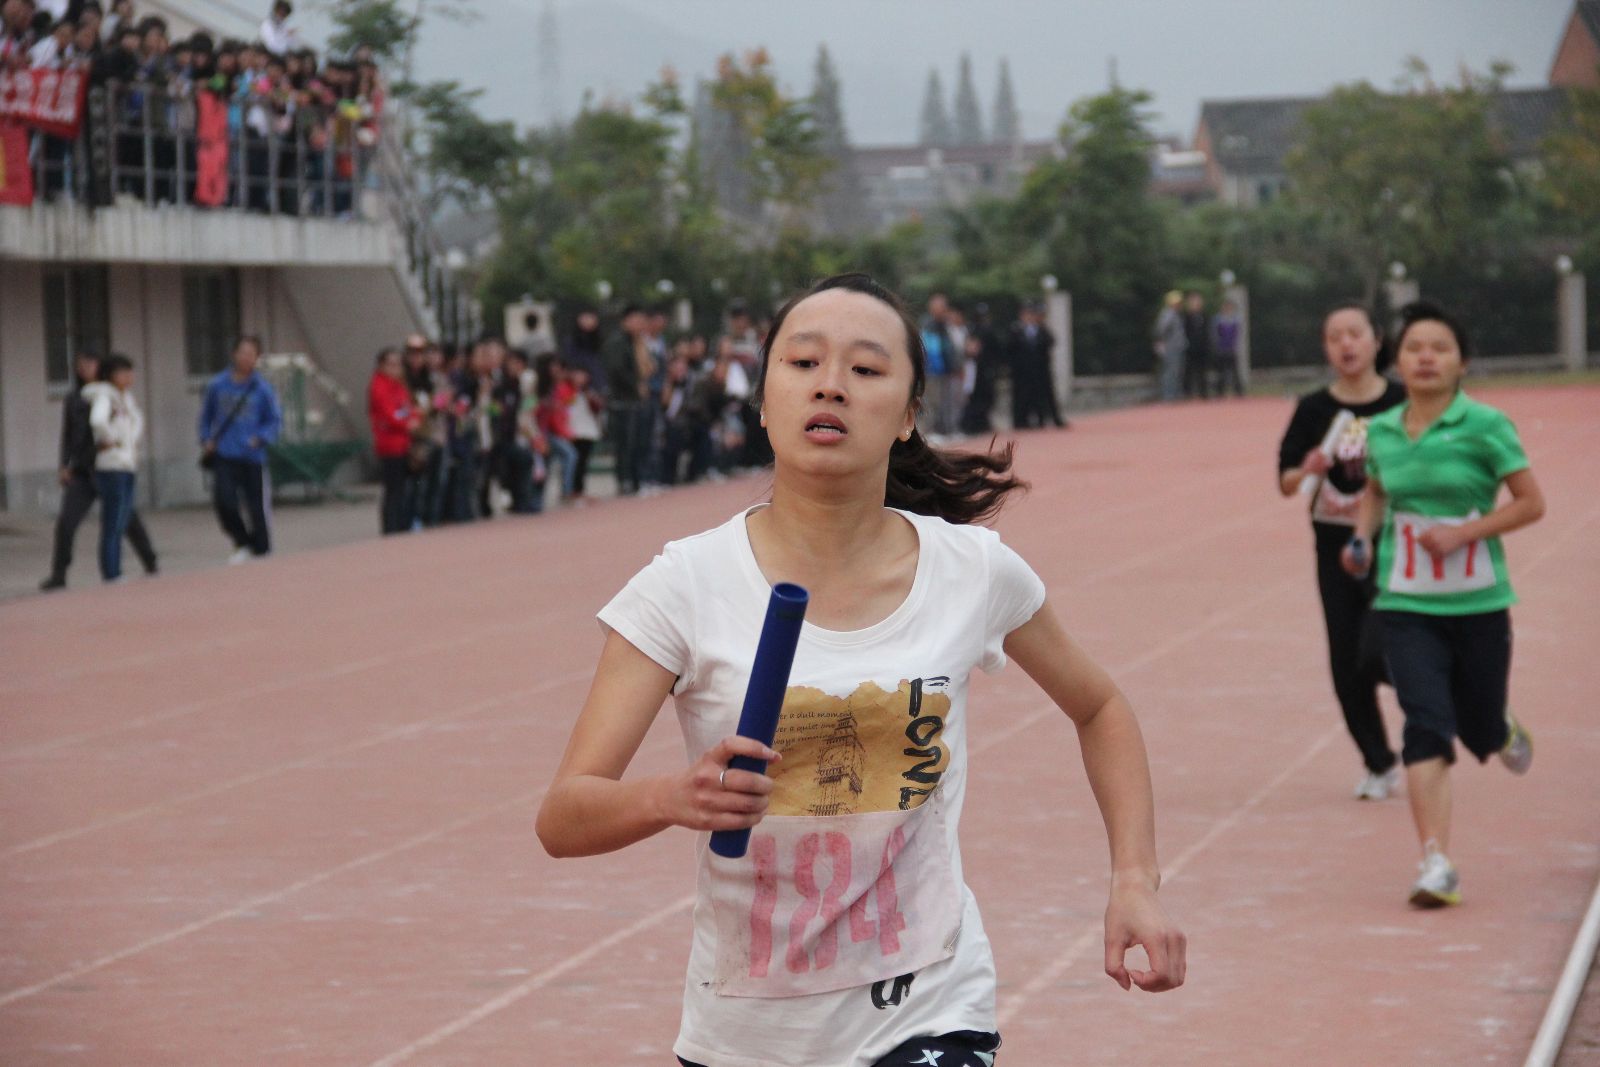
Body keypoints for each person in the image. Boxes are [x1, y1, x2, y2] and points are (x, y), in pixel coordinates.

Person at [536, 273, 1185, 1067]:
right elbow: (564, 815)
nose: (831, 385)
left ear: (909, 414)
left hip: (927, 1010)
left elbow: (1100, 706)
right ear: (763, 400)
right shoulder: (685, 585)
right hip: (745, 1035)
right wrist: (671, 796)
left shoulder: (970, 571)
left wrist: (1134, 879)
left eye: (867, 369)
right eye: (802, 362)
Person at [1343, 301, 1545, 908]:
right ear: (1397, 361)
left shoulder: (1486, 425)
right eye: (1414, 348)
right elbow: (1376, 490)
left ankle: (1498, 725)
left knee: (1478, 726)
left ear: (1463, 363)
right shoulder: (1382, 430)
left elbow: (1531, 503)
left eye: (1440, 348)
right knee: (1425, 722)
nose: (1426, 357)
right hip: (1406, 602)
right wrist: (1361, 538)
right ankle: (1436, 863)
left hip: (1478, 603)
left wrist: (1464, 533)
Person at [1277, 303, 1406, 799]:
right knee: (1345, 663)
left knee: (1377, 650)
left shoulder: (1401, 400)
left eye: (1355, 333)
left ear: (1376, 340)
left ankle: (1441, 695)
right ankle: (1379, 763)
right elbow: (1287, 482)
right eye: (1335, 337)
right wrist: (1306, 468)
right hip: (1334, 549)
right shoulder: (1314, 409)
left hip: (1393, 544)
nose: (1346, 344)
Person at [41, 351, 158, 591]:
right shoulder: (76, 398)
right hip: (83, 470)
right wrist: (64, 464)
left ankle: (150, 562)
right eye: (80, 365)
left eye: (90, 364)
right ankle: (59, 573)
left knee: (127, 520)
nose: (85, 369)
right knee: (67, 522)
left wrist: (119, 443)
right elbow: (68, 434)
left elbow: (131, 422)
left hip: (109, 465)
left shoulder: (116, 396)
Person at [199, 335, 282, 563]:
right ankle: (242, 541)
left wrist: (261, 438)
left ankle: (262, 549)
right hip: (224, 454)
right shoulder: (217, 385)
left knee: (256, 506)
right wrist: (206, 439)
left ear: (257, 358)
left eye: (251, 354)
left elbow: (274, 420)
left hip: (253, 456)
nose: (246, 358)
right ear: (234, 354)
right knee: (224, 501)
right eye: (243, 352)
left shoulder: (262, 388)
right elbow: (205, 417)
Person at [83, 354, 142, 583]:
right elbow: (98, 421)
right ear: (110, 375)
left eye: (130, 371)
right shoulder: (105, 396)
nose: (128, 376)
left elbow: (136, 423)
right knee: (113, 521)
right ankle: (111, 572)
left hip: (127, 463)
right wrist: (112, 440)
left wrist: (130, 443)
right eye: (123, 372)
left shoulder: (126, 398)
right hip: (112, 466)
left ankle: (115, 569)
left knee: (122, 520)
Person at [368, 346, 419, 534]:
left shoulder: (398, 385)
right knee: (393, 489)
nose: (396, 368)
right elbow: (389, 414)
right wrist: (407, 422)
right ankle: (391, 527)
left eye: (398, 364)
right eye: (391, 364)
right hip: (390, 444)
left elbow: (408, 407)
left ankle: (402, 523)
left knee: (403, 488)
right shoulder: (379, 386)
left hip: (404, 442)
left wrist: (413, 418)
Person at [1007, 301, 1064, 429]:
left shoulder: (1041, 330)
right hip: (1022, 371)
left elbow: (1051, 341)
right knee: (1022, 397)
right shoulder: (1016, 330)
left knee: (1043, 396)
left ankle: (1044, 419)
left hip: (1040, 370)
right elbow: (1010, 349)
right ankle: (1020, 421)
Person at [1152, 291, 1186, 403]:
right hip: (1171, 347)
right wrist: (1162, 342)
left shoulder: (1175, 314)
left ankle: (1175, 394)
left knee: (1177, 371)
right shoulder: (1168, 314)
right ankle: (1168, 395)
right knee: (1170, 371)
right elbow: (1161, 329)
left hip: (1177, 346)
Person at [1211, 299, 1244, 397]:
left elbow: (1237, 335)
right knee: (1221, 371)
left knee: (1234, 371)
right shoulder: (1217, 320)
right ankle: (1220, 391)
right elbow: (1215, 334)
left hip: (1231, 348)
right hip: (1221, 348)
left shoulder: (1235, 320)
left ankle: (1238, 391)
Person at [1180, 291, 1210, 400]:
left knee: (1202, 371)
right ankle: (1187, 392)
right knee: (1189, 370)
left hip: (1202, 347)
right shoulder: (1186, 317)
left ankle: (1203, 392)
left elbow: (1207, 332)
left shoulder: (1204, 316)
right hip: (1190, 347)